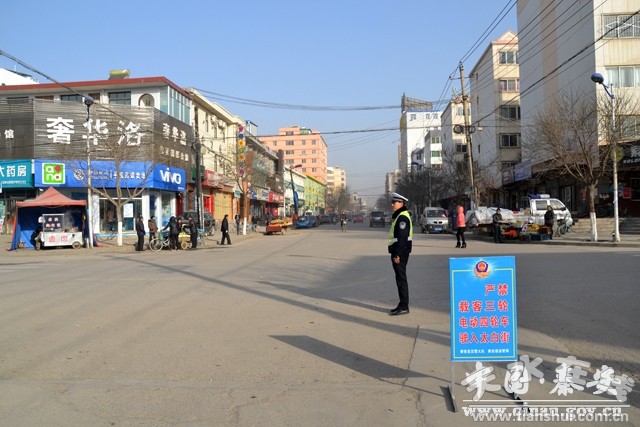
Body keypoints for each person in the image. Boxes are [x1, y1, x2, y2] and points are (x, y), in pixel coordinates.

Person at [388, 192, 413, 316]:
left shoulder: (402, 217)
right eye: (392, 202)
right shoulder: (399, 216)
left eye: (394, 202)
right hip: (398, 251)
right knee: (399, 278)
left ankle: (404, 306)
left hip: (400, 253)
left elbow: (402, 238)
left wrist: (397, 254)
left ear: (401, 203)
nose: (392, 204)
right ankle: (402, 304)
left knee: (401, 279)